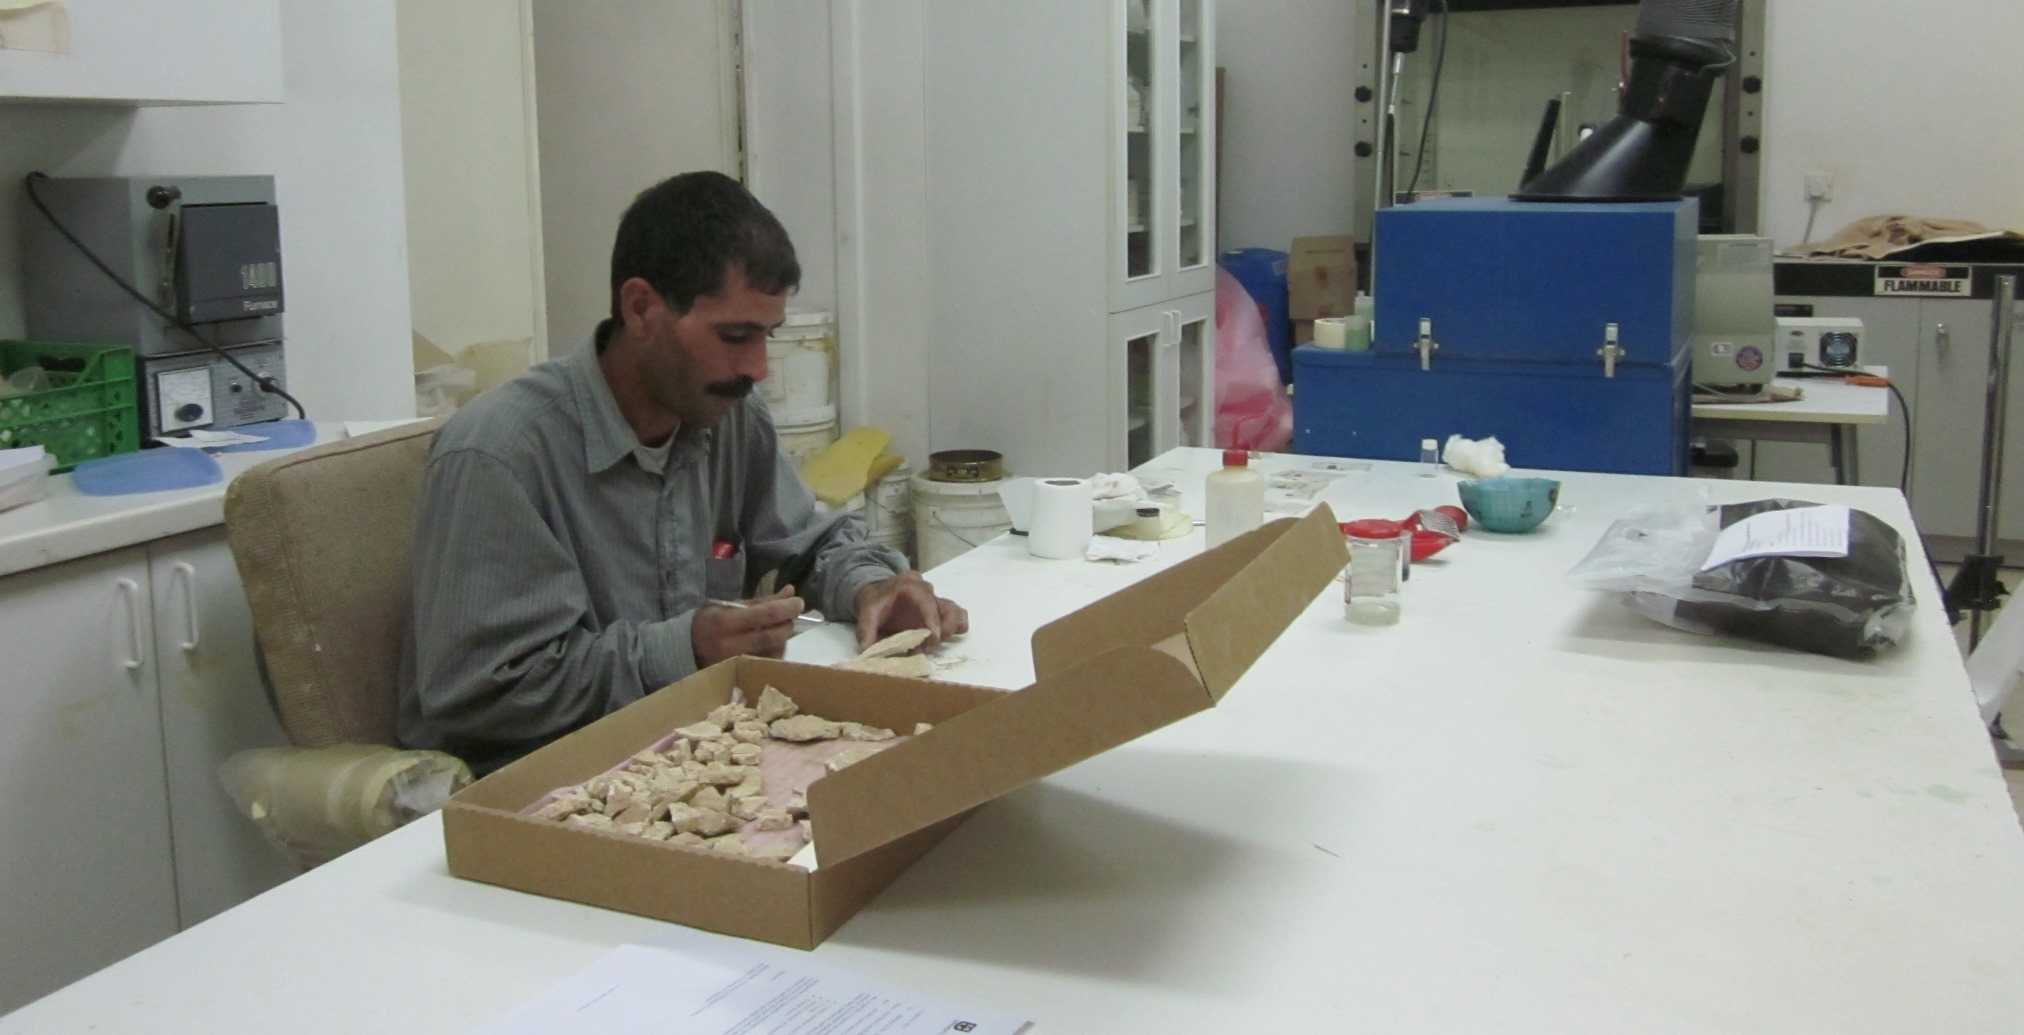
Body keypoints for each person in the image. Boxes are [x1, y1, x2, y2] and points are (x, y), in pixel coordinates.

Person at [397, 171, 964, 773]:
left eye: (767, 336)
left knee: (925, 773)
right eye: (735, 336)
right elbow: (479, 694)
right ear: (641, 308)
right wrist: (682, 648)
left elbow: (807, 543)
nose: (758, 368)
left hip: (689, 746)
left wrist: (872, 586)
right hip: (537, 779)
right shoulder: (499, 455)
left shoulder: (729, 415)